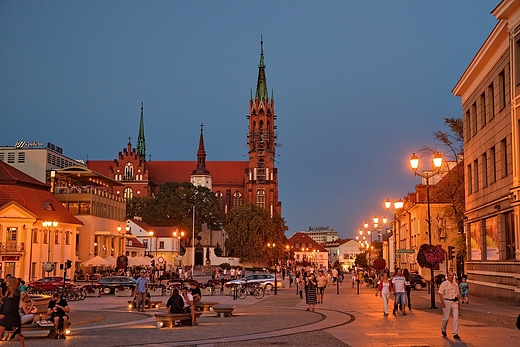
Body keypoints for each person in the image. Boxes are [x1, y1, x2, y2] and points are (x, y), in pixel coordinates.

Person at [0, 277, 25, 347]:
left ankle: (22, 345)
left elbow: (13, 306)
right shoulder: (8, 292)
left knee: (18, 332)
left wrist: (4, 314)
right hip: (7, 315)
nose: (6, 282)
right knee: (17, 332)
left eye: (8, 281)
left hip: (11, 315)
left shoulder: (15, 294)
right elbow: (5, 304)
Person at [438, 271, 461, 339]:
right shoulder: (444, 284)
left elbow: (458, 294)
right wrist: (442, 302)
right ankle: (443, 329)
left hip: (454, 302)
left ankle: (455, 333)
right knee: (446, 318)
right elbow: (440, 293)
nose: (451, 277)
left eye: (452, 275)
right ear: (447, 276)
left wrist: (459, 303)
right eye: (450, 275)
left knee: (456, 318)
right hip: (447, 301)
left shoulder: (455, 284)